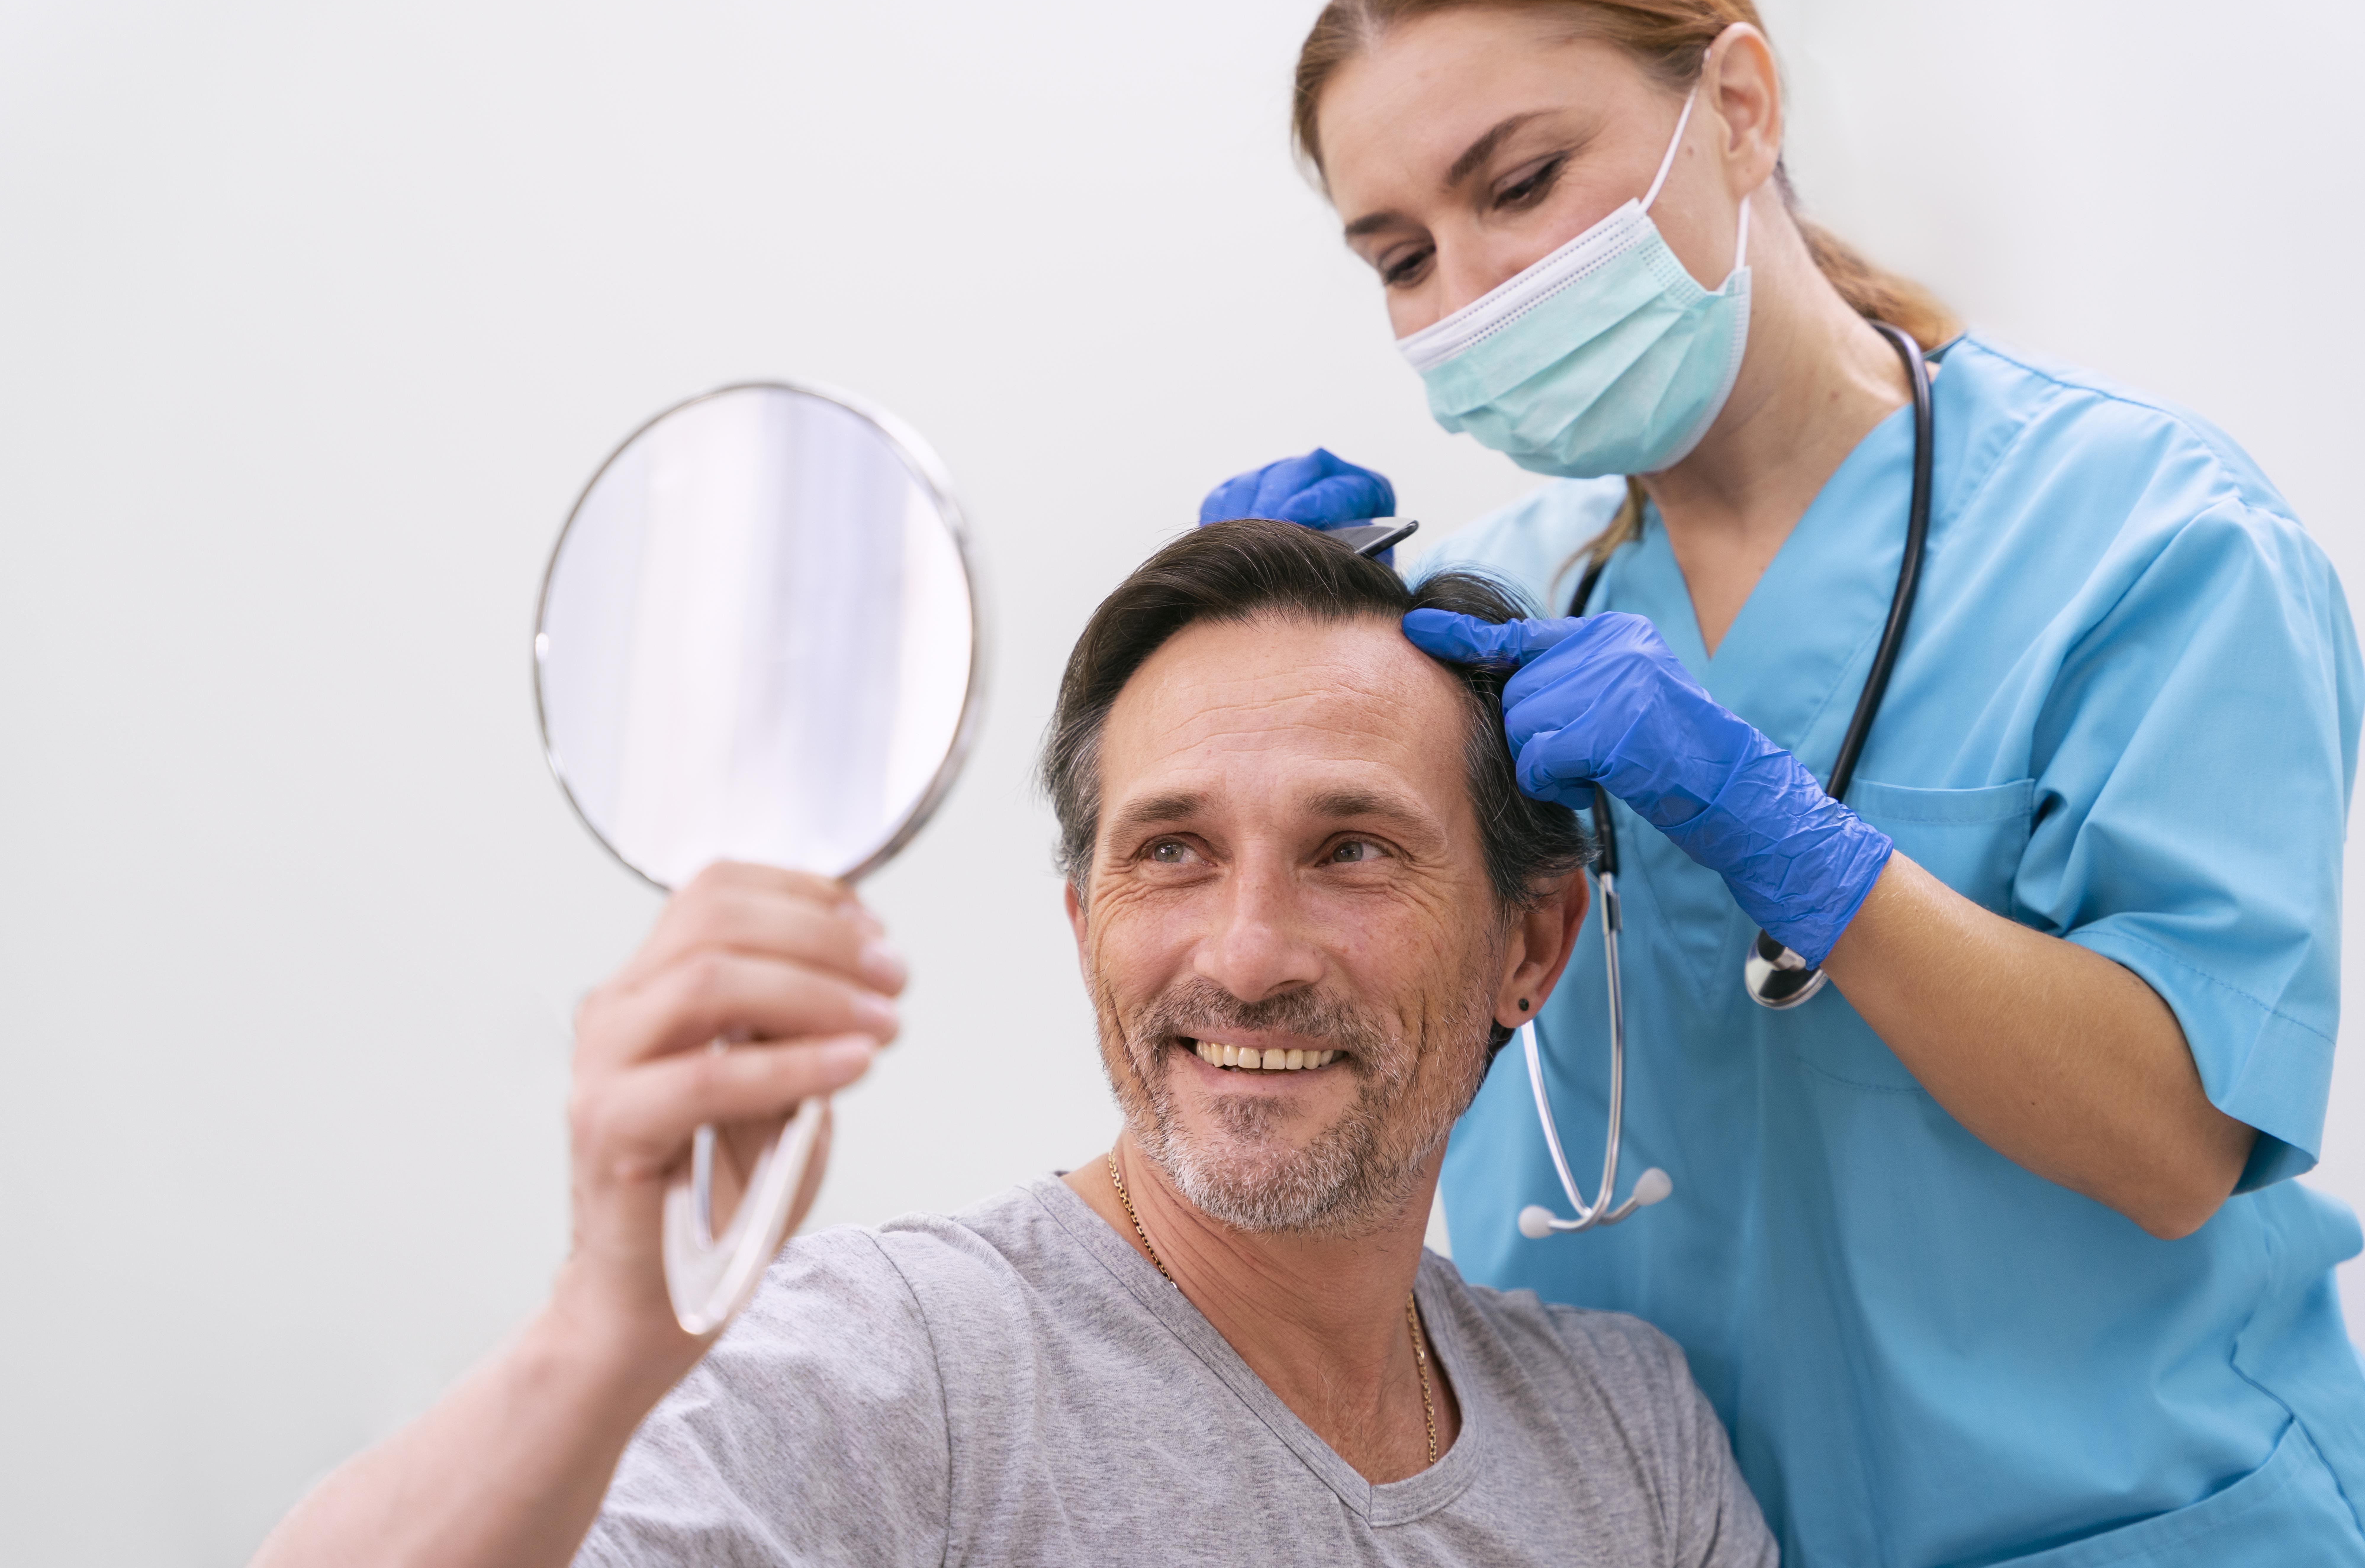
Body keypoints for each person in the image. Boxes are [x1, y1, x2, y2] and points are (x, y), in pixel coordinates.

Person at [1201, 0, 2365, 1563]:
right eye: (1399, 257)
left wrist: (1785, 841)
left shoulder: (2145, 544)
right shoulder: (1488, 620)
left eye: (1521, 183)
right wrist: (1261, 689)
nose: (1470, 294)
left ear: (1739, 107)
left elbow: (2174, 1150)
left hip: (2121, 1522)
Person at [250, 520, 1776, 1568]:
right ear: (1083, 923)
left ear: (1530, 944)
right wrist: (603, 1336)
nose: (1243, 957)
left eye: (1354, 850)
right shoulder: (906, 1368)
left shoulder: (1625, 1443)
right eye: (1170, 852)